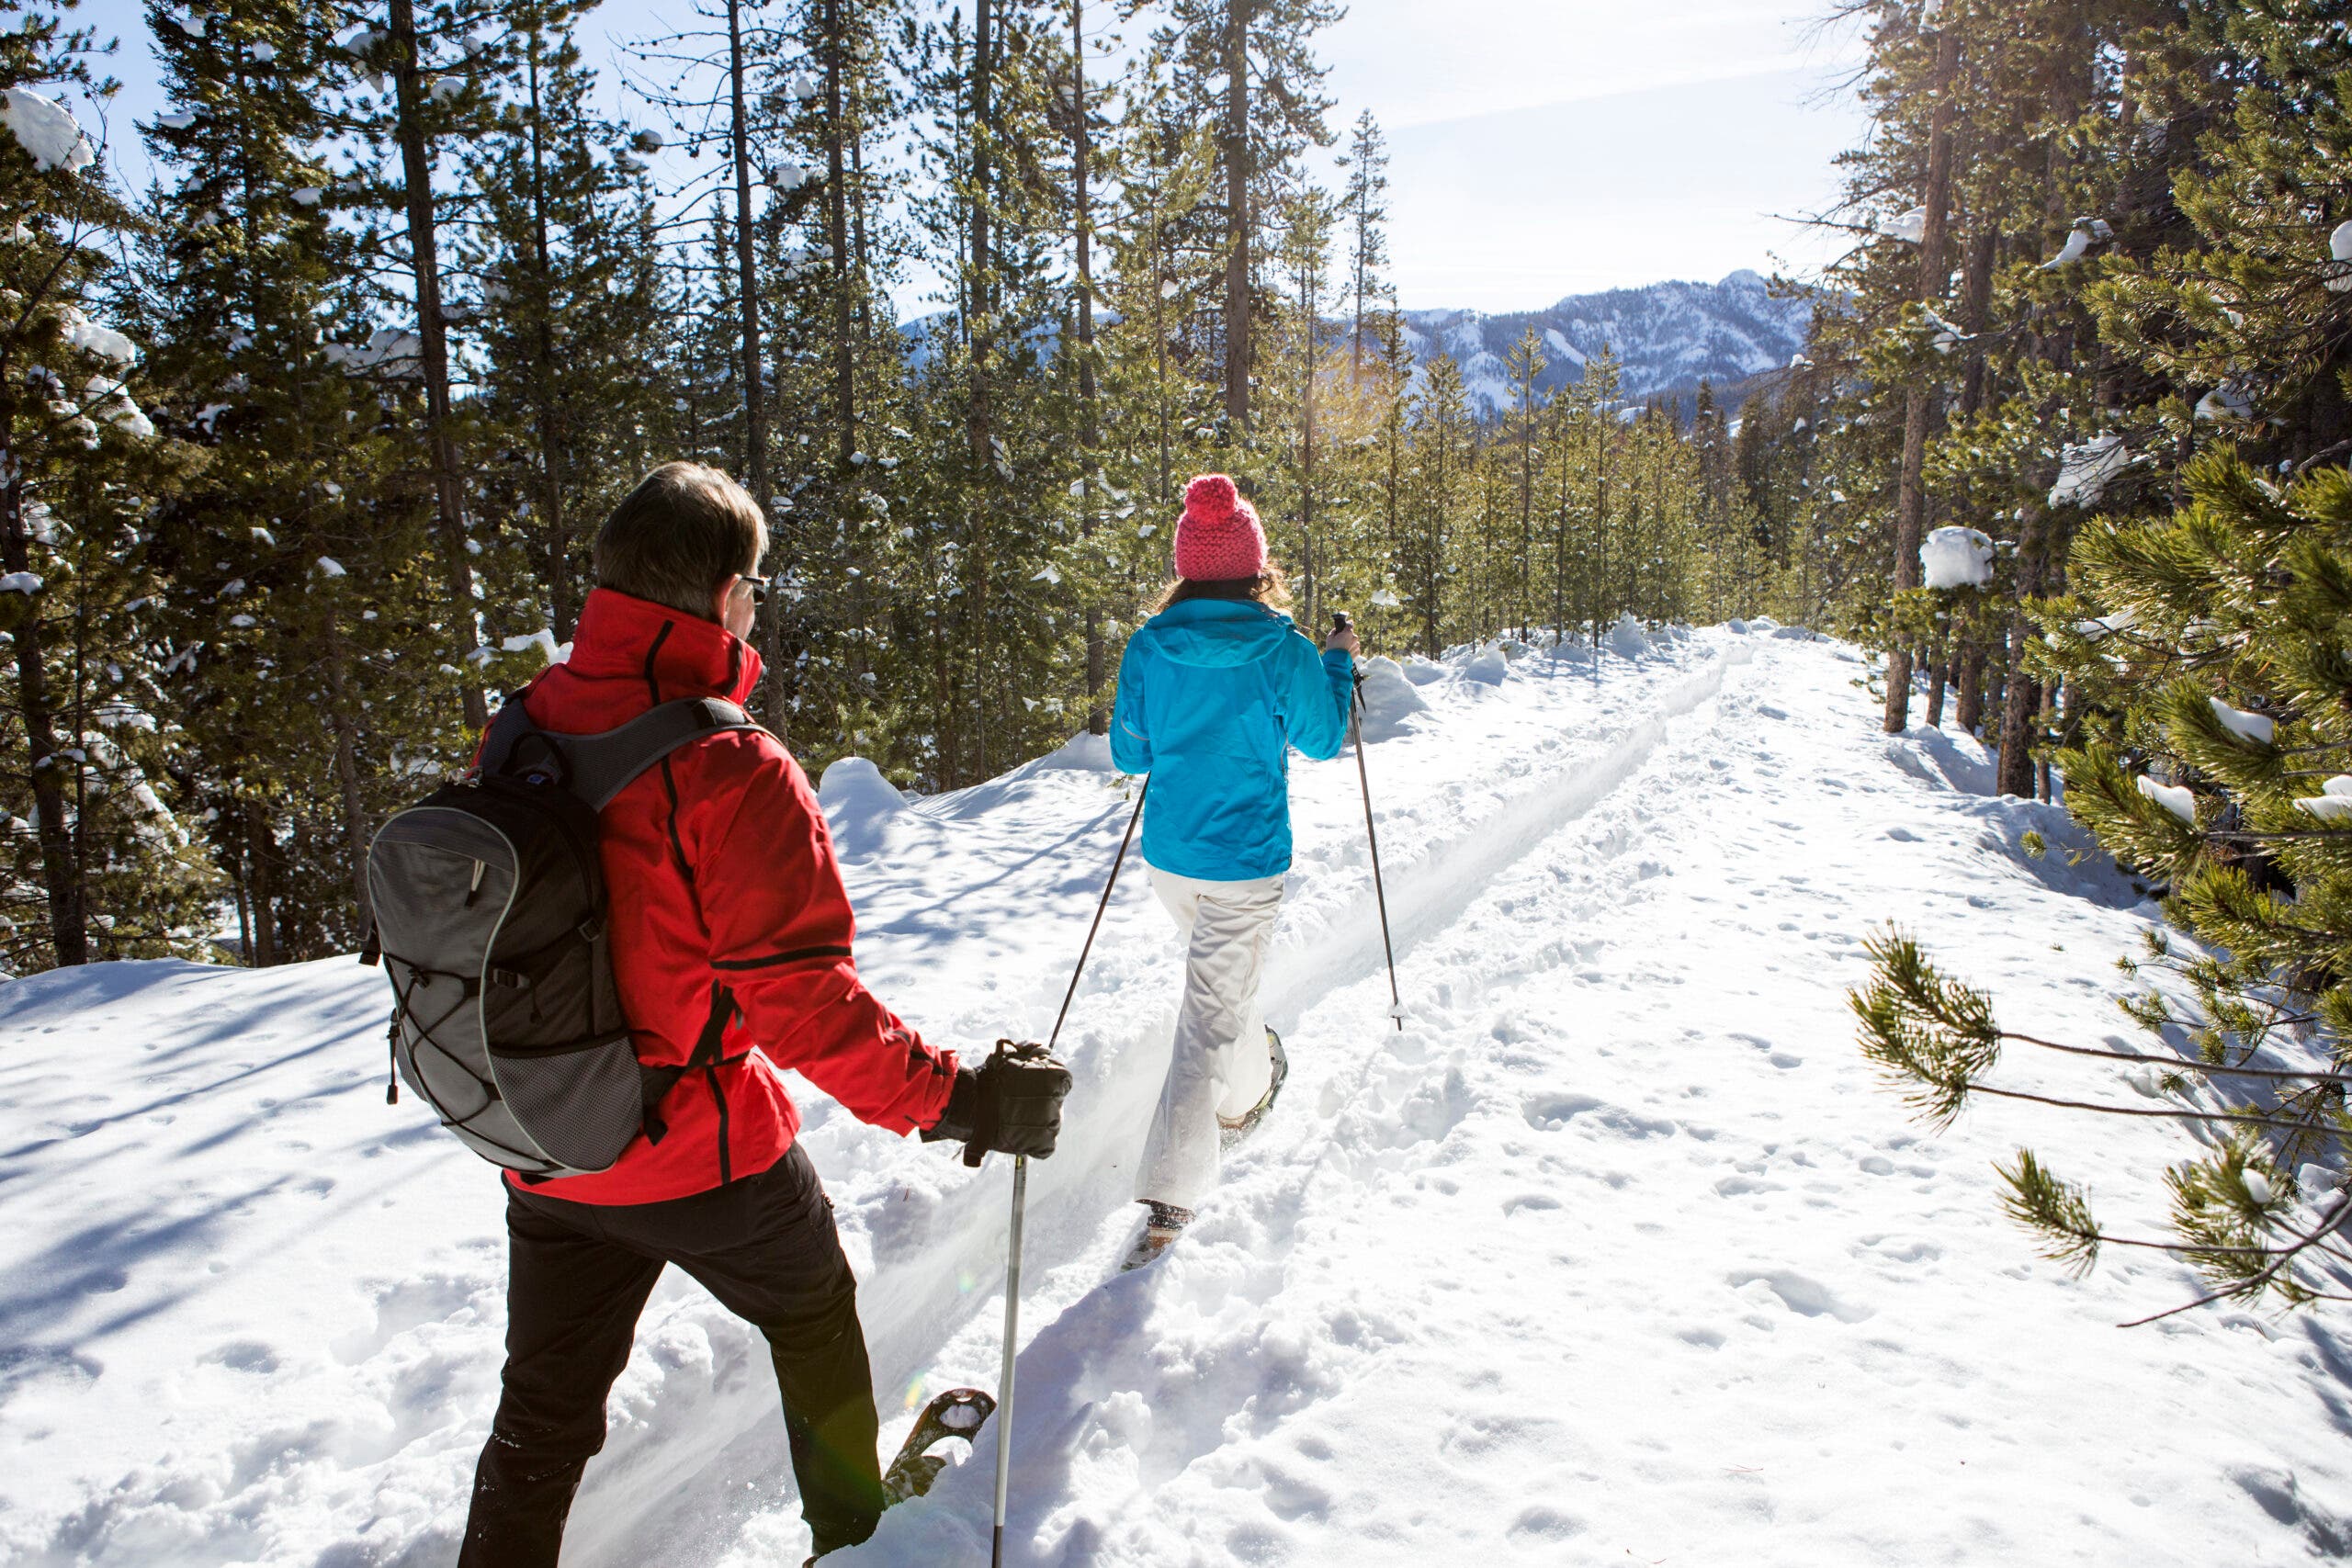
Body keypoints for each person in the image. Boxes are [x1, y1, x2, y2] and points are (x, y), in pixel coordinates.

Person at [457, 462, 1067, 1567]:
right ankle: (850, 1540)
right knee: (813, 1315)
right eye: (755, 585)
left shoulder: (522, 725)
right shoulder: (729, 763)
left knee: (541, 1411)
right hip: (699, 1152)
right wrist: (957, 1101)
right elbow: (801, 1003)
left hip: (542, 1137)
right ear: (726, 594)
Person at [1107, 473, 1358, 1264]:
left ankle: (1251, 1090)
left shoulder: (1150, 645)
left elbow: (1128, 751)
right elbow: (1322, 740)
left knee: (1224, 993)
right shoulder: (1282, 648)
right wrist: (1340, 665)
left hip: (1172, 860)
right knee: (1210, 1010)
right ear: (1254, 564)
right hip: (1245, 861)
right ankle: (1170, 1199)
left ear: (1187, 567)